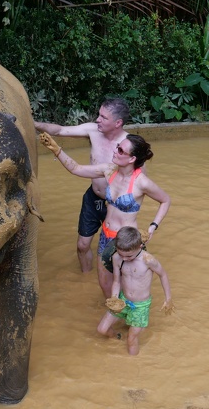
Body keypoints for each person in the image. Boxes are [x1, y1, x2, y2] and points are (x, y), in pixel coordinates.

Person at [39, 130, 170, 298]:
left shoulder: (141, 182)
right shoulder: (109, 171)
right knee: (105, 285)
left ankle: (130, 320)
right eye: (117, 147)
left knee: (130, 288)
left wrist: (153, 226)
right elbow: (76, 169)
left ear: (132, 159)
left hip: (126, 240)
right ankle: (114, 319)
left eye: (121, 151)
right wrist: (57, 150)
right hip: (105, 236)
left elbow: (165, 200)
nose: (115, 151)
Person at [34, 99, 131, 277]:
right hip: (93, 197)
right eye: (99, 114)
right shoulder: (93, 130)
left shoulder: (128, 145)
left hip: (116, 204)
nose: (97, 119)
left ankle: (118, 286)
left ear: (118, 123)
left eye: (103, 117)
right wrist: (33, 124)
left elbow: (140, 180)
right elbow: (60, 130)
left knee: (120, 251)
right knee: (82, 245)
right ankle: (85, 280)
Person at [97, 227, 173, 356]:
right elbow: (117, 281)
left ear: (140, 246)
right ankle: (117, 337)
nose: (124, 259)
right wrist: (115, 298)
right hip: (123, 300)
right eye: (121, 255)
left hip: (140, 306)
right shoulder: (116, 257)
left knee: (131, 339)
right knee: (102, 329)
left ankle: (133, 366)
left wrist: (168, 299)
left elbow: (163, 275)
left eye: (129, 256)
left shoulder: (148, 260)